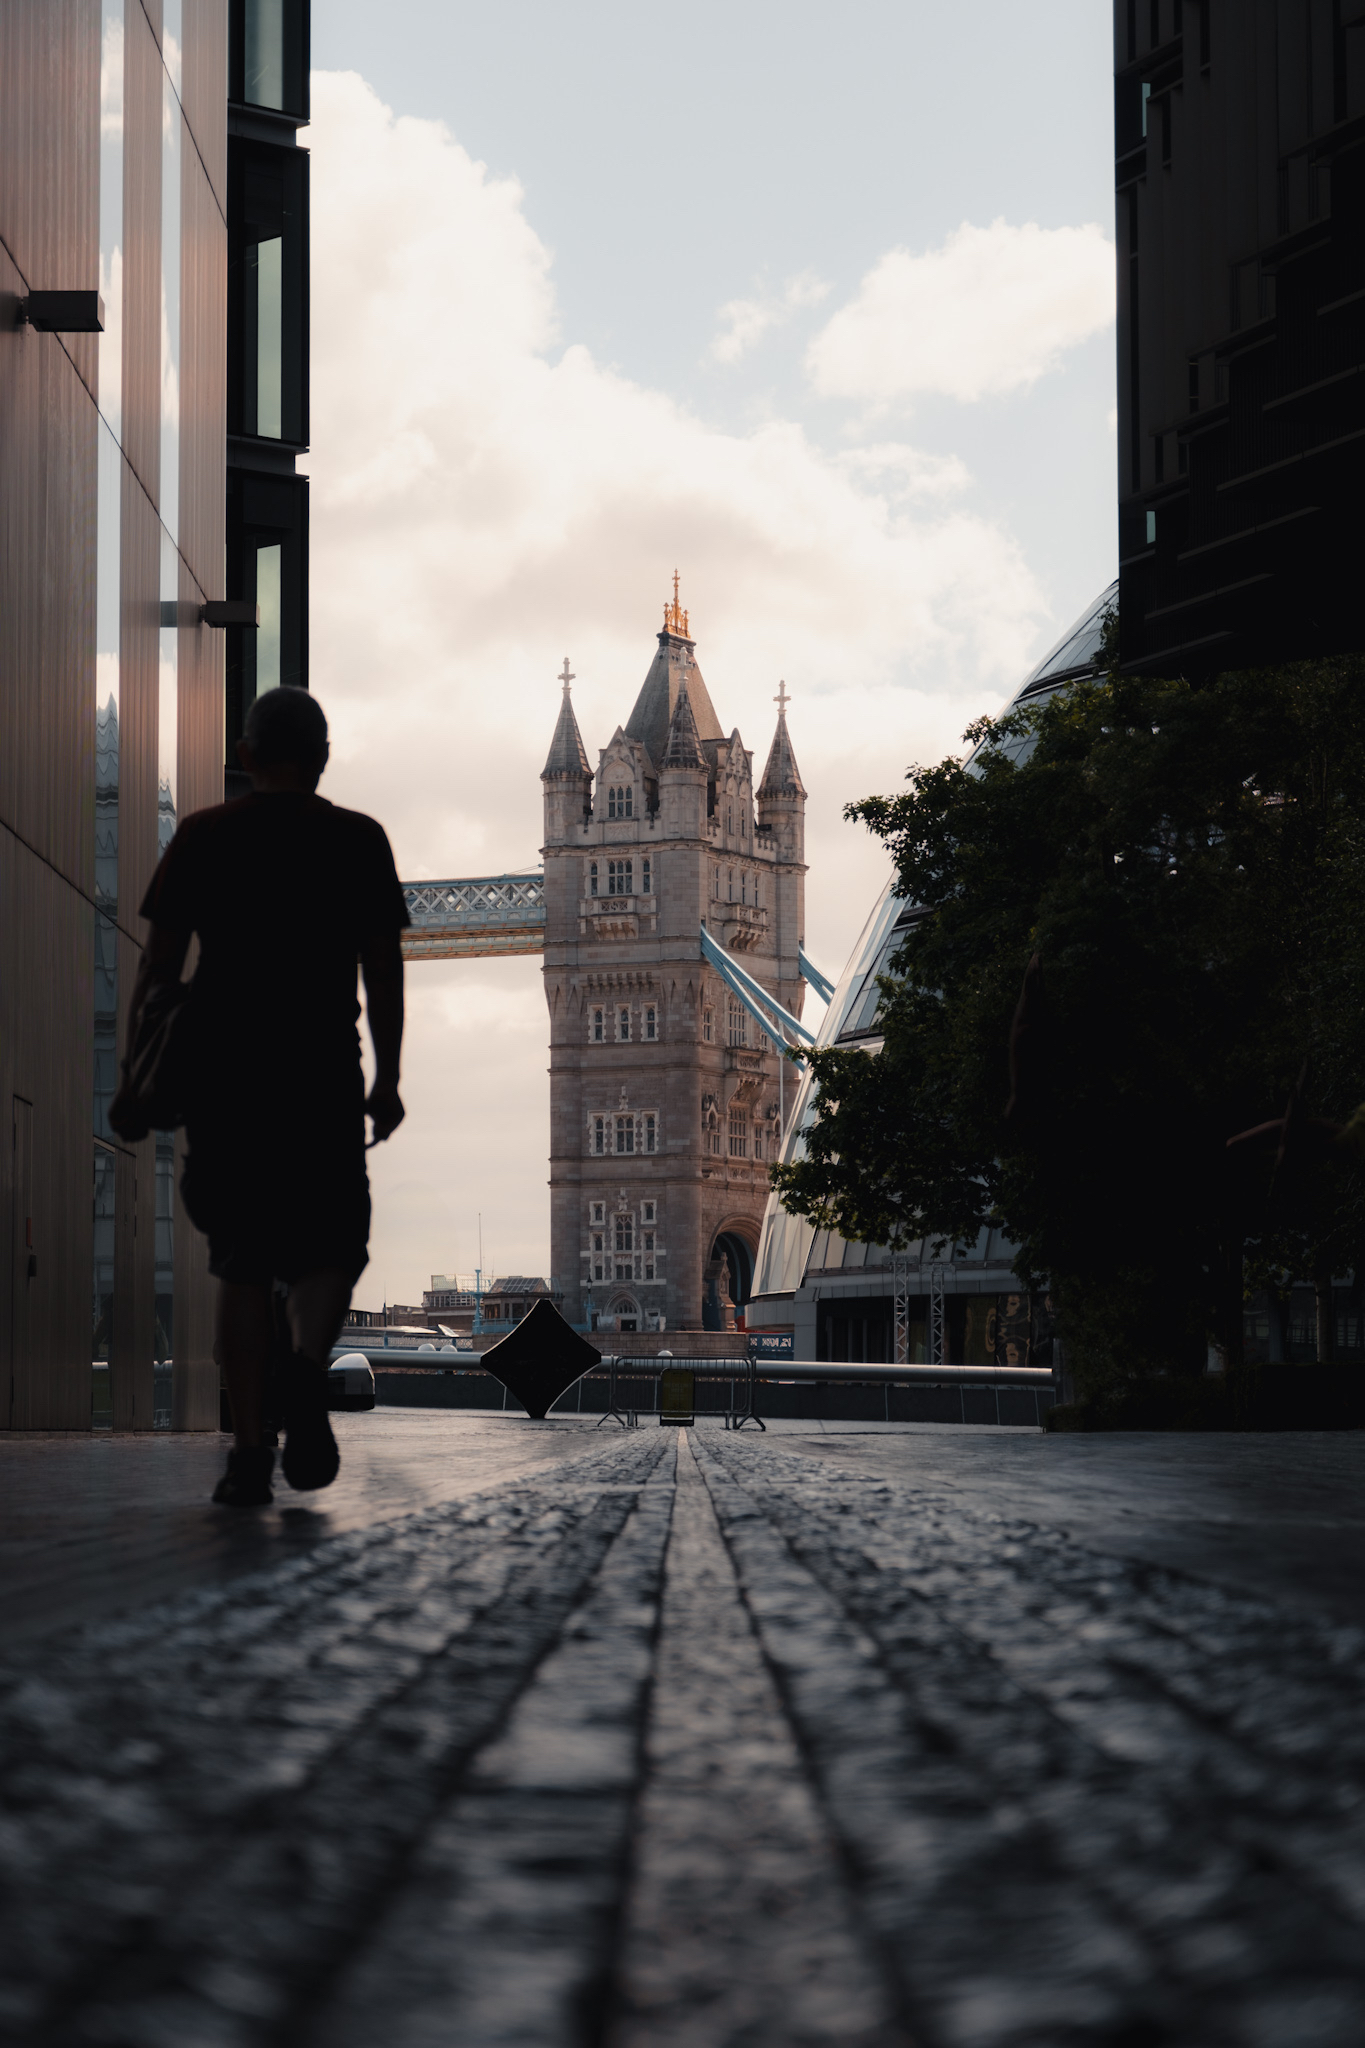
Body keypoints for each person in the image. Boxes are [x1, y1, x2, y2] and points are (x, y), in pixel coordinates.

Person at [110, 688, 408, 1505]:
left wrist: (136, 1072)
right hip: (319, 1068)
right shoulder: (358, 840)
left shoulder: (203, 835)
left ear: (245, 753)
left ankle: (247, 1457)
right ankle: (308, 1370)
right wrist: (388, 1078)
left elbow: (156, 968)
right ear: (321, 757)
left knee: (241, 1265)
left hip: (224, 1072)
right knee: (328, 1244)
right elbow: (382, 967)